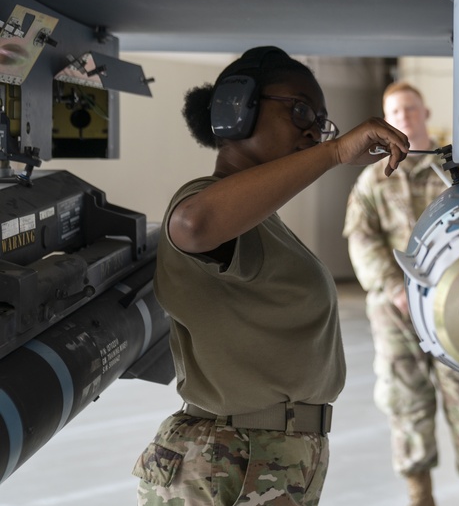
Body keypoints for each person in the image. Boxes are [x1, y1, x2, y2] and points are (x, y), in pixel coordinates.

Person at [132, 46, 409, 506]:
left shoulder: (262, 222)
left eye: (321, 122)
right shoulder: (206, 200)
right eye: (300, 110)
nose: (311, 130)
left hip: (268, 457)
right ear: (234, 109)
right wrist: (335, 151)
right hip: (226, 460)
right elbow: (192, 226)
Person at [343, 82, 459, 506]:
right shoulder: (372, 181)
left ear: (425, 113)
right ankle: (419, 496)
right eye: (395, 112)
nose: (404, 118)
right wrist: (395, 289)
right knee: (407, 405)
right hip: (396, 311)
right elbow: (361, 239)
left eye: (410, 109)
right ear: (386, 120)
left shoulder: (458, 174)